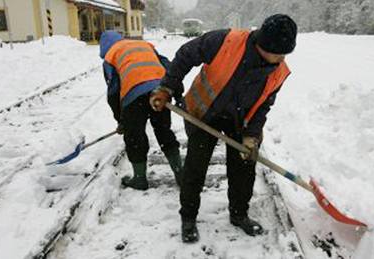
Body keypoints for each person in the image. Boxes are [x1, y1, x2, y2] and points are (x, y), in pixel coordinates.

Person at [149, 14, 297, 242]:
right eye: (276, 53)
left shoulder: (278, 70)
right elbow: (185, 55)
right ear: (261, 44)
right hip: (204, 113)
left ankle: (239, 215)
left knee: (245, 165)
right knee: (195, 167)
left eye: (283, 54)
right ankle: (188, 216)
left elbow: (263, 106)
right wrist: (167, 87)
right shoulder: (225, 41)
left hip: (241, 120)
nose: (279, 59)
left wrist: (251, 136)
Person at [99, 31, 182, 190]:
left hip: (134, 93)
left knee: (135, 136)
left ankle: (139, 178)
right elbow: (167, 65)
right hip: (160, 91)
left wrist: (122, 120)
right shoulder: (144, 45)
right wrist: (173, 91)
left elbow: (113, 92)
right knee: (163, 130)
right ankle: (181, 174)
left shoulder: (110, 56)